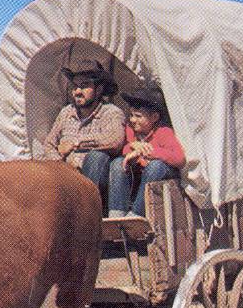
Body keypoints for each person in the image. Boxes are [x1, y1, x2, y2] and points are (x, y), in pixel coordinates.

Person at [41, 59, 126, 203]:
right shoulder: (66, 112)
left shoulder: (111, 113)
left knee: (97, 157)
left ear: (98, 89)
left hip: (98, 181)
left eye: (84, 86)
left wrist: (76, 143)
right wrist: (60, 164)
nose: (77, 91)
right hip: (66, 176)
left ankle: (87, 207)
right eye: (75, 86)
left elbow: (115, 140)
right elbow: (49, 144)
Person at [108, 83, 186, 219]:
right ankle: (117, 213)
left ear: (154, 117)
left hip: (157, 174)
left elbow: (179, 159)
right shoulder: (130, 130)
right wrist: (133, 147)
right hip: (138, 176)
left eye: (138, 116)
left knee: (156, 166)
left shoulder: (164, 132)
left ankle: (137, 214)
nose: (133, 120)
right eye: (131, 115)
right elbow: (125, 148)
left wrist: (149, 152)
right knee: (117, 163)